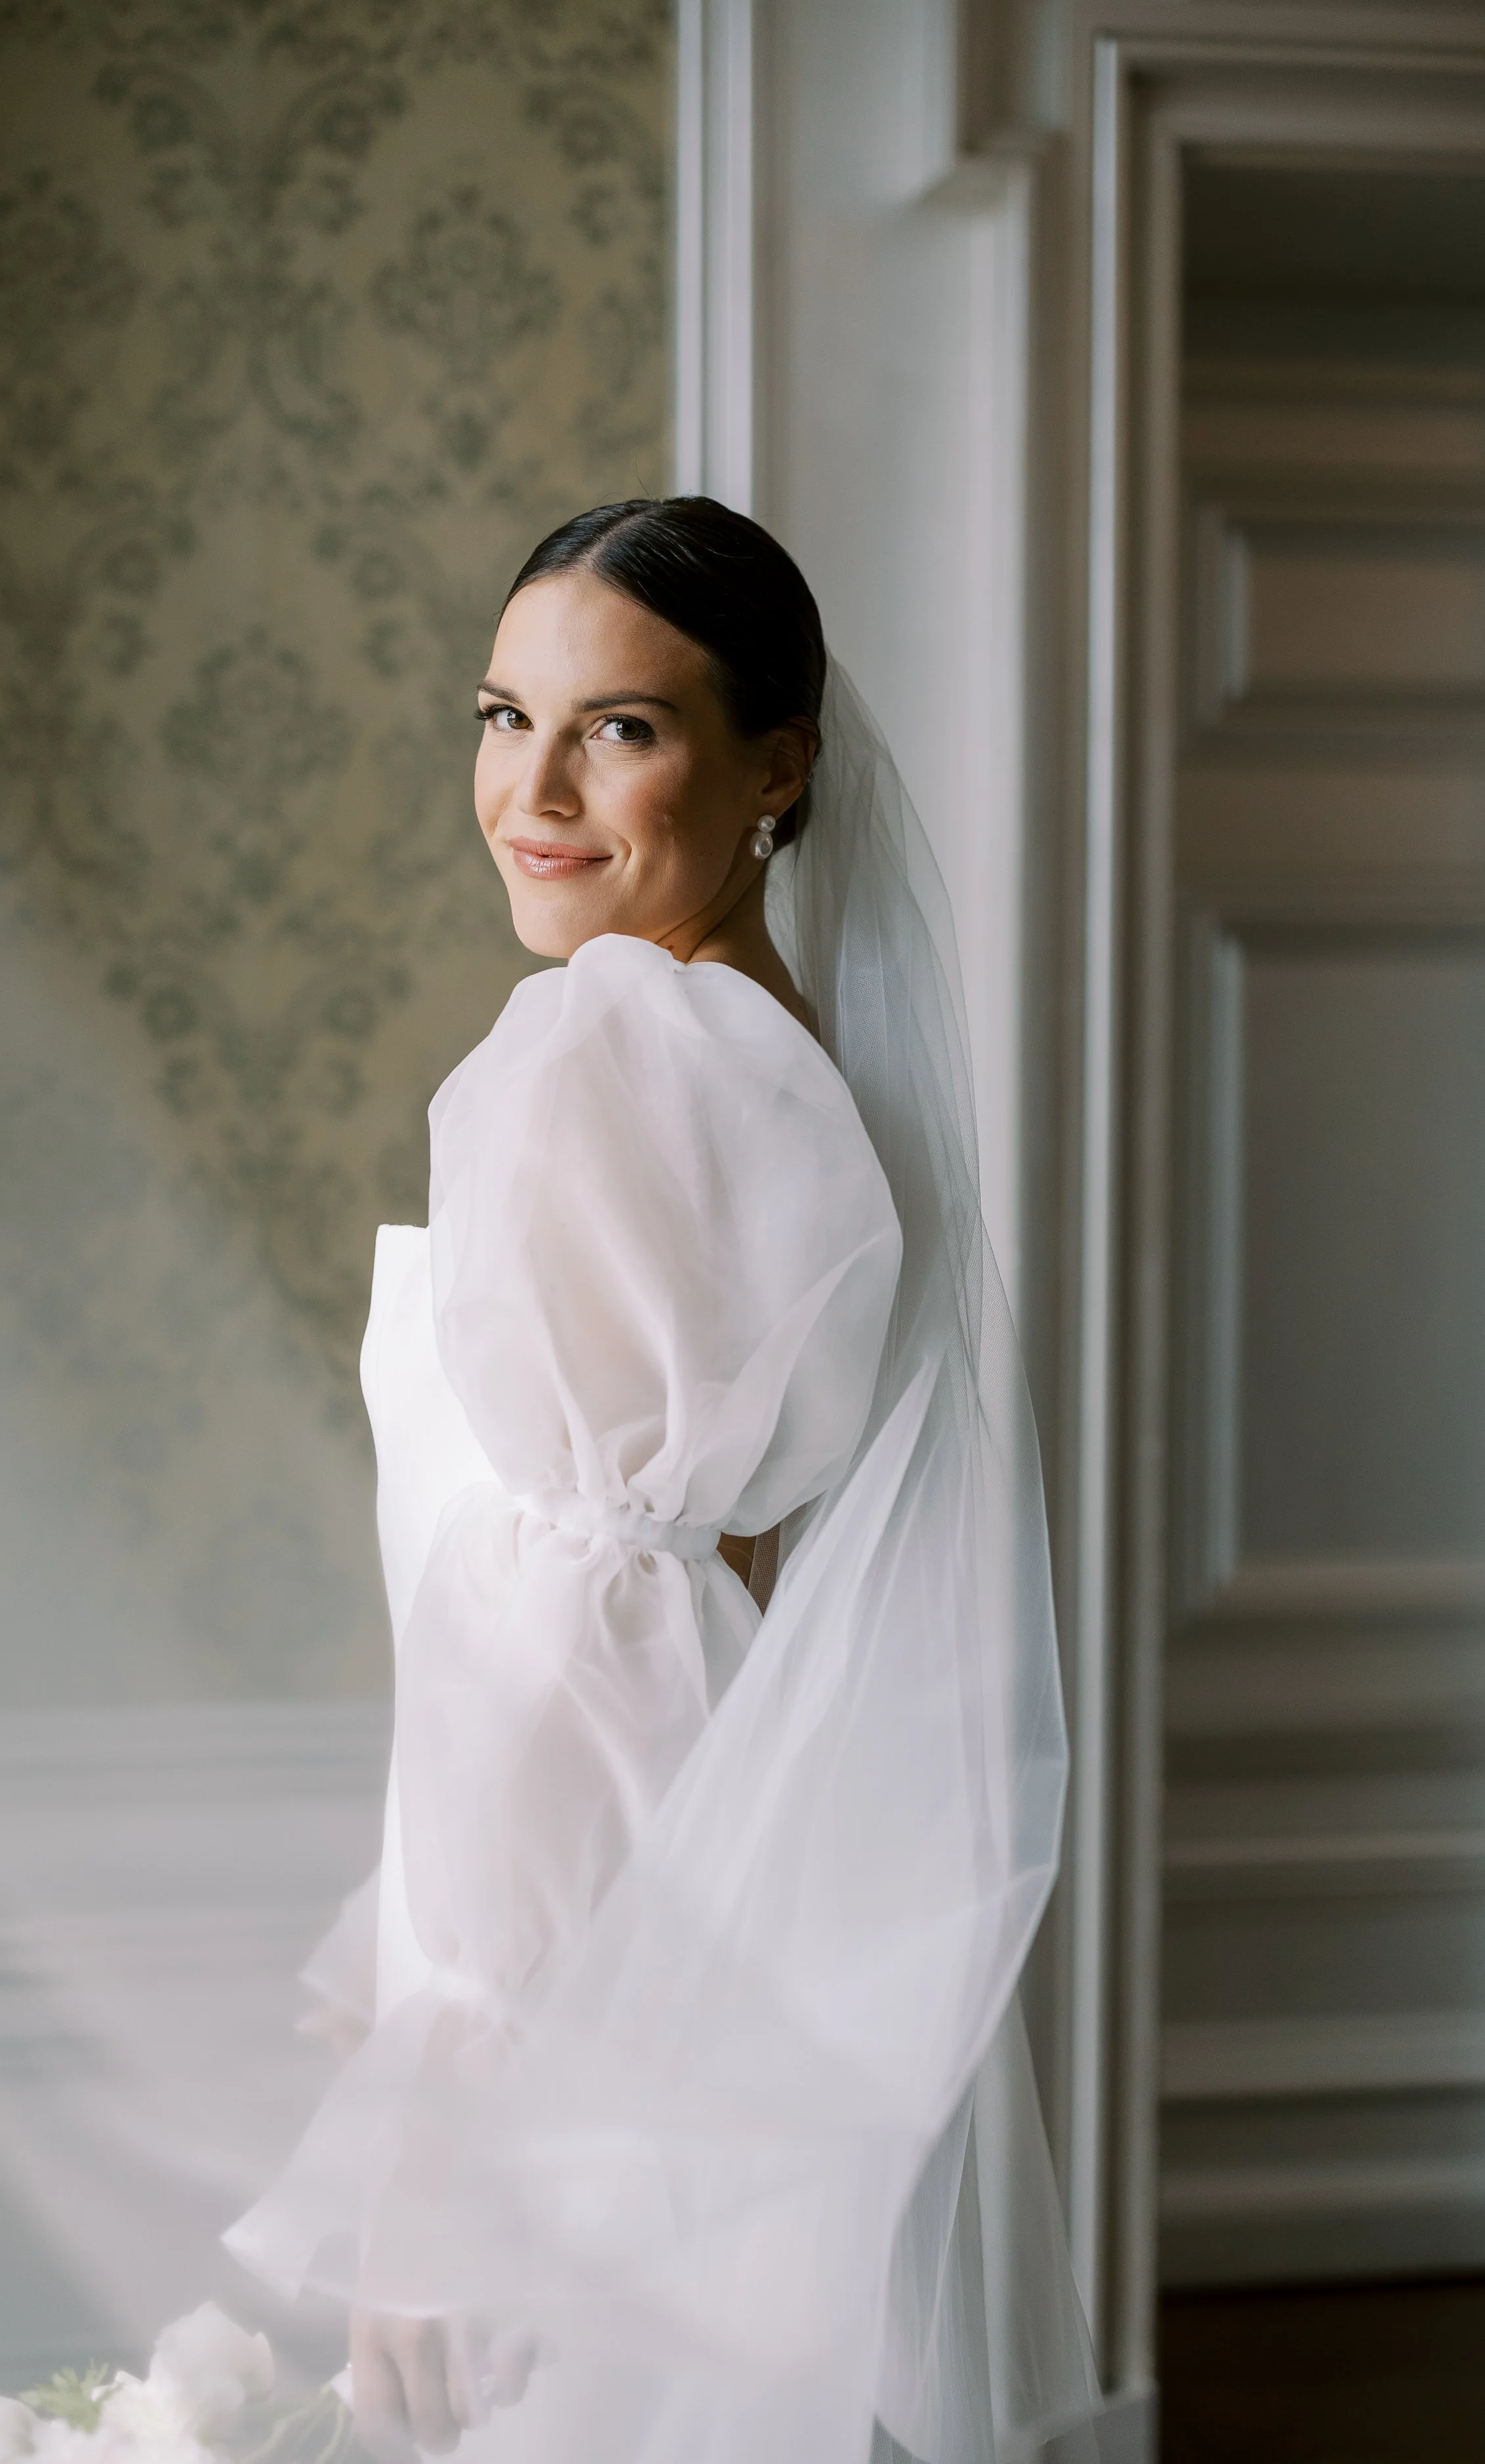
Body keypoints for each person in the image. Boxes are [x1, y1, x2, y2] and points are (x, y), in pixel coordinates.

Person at [226, 499, 1095, 2463]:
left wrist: (438, 2155)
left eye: (616, 729)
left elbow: (578, 1616)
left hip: (590, 1985)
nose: (529, 793)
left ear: (775, 767)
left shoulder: (609, 1050)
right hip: (712, 1928)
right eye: (501, 714)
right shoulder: (783, 1054)